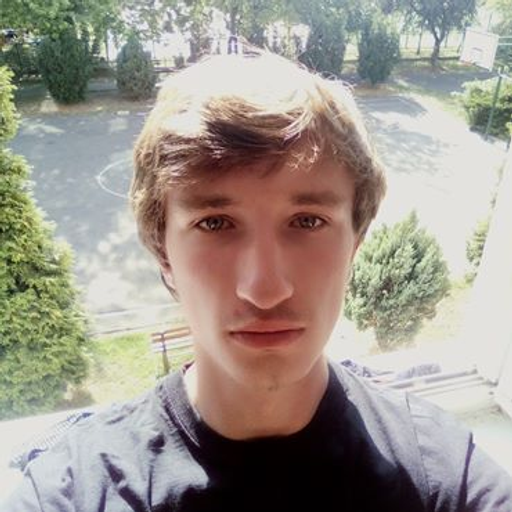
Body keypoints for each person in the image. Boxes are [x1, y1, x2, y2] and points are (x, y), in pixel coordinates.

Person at [3, 51, 511, 512]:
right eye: (215, 223)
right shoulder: (71, 491)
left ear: (354, 243)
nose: (265, 289)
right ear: (163, 252)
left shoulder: (444, 477)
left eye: (308, 221)